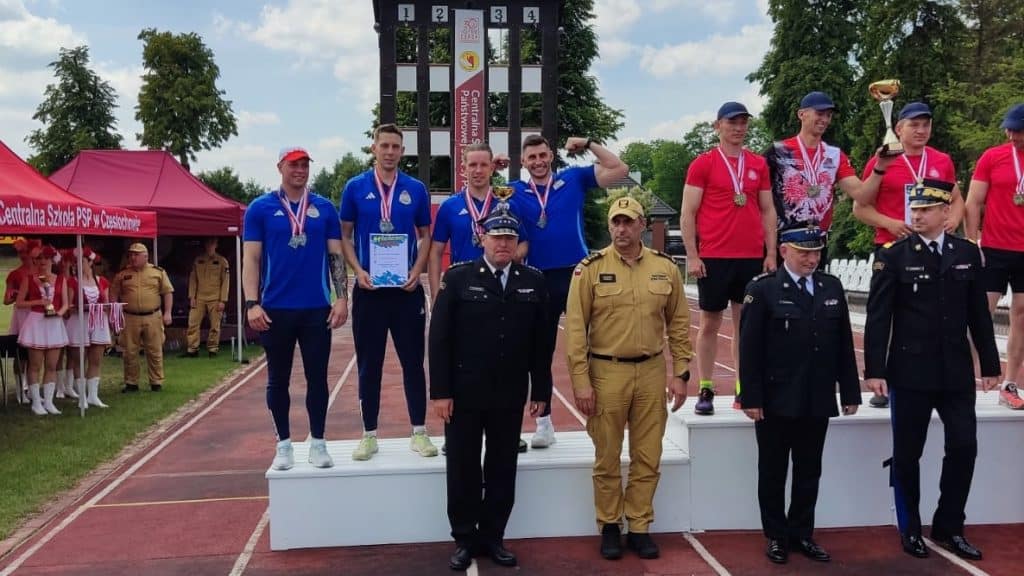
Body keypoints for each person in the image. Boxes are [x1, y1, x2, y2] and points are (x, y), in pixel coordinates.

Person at [864, 179, 1000, 561]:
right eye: (915, 209)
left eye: (926, 210)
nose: (918, 215)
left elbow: (979, 315)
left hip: (956, 371)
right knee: (908, 454)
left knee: (964, 447)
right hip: (909, 372)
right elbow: (878, 318)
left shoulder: (966, 254)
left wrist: (989, 363)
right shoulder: (893, 255)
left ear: (945, 213)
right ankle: (910, 529)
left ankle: (949, 526)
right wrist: (875, 370)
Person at [565, 196, 692, 561]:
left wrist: (681, 372)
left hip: (652, 371)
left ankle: (639, 525)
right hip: (606, 373)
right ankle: (609, 524)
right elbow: (575, 330)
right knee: (606, 456)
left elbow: (679, 324)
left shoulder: (665, 269)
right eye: (615, 222)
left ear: (641, 225)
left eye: (628, 222)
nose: (621, 229)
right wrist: (581, 381)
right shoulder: (589, 269)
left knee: (648, 454)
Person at [429, 207, 551, 571]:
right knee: (463, 466)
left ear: (517, 244)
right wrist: (440, 392)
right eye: (497, 237)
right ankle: (464, 539)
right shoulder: (458, 278)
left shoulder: (534, 280)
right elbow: (439, 339)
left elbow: (542, 343)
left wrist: (540, 391)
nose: (503, 244)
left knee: (501, 467)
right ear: (482, 238)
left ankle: (493, 536)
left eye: (509, 238)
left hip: (509, 392)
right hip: (464, 392)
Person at [738, 225, 861, 565]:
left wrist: (850, 391)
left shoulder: (831, 287)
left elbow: (844, 347)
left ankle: (802, 534)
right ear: (784, 251)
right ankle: (777, 536)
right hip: (777, 398)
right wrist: (751, 397)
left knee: (809, 470)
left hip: (817, 396)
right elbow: (749, 350)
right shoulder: (763, 290)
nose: (812, 258)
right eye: (804, 252)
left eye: (816, 252)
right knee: (773, 471)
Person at [509, 134, 629, 449]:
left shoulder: (573, 179)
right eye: (531, 157)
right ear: (523, 162)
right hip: (537, 280)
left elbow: (618, 168)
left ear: (552, 156)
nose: (537, 161)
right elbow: (482, 206)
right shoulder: (514, 191)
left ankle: (607, 417)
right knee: (539, 353)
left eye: (542, 155)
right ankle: (544, 424)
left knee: (597, 346)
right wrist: (493, 169)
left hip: (578, 276)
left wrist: (589, 143)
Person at [243, 146, 349, 471]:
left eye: (304, 164)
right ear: (280, 167)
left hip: (316, 308)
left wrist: (342, 297)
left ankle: (318, 441)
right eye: (294, 164)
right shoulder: (260, 208)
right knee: (278, 380)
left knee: (318, 378)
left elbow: (335, 255)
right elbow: (251, 258)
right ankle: (284, 444)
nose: (300, 170)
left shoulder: (324, 208)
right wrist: (251, 303)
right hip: (275, 309)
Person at [852, 101, 964, 409]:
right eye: (914, 124)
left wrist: (953, 220)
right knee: (886, 315)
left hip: (934, 250)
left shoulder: (941, 160)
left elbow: (956, 199)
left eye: (925, 124)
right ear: (898, 128)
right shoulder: (885, 160)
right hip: (893, 249)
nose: (921, 130)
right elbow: (860, 207)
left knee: (930, 316)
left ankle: (931, 379)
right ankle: (881, 382)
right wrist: (889, 223)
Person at [340, 124, 436, 460]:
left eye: (396, 146)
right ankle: (369, 434)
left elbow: (425, 235)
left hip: (405, 290)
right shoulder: (354, 188)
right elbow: (344, 235)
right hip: (369, 290)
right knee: (370, 364)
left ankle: (420, 432)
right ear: (374, 148)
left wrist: (417, 270)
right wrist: (358, 270)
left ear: (402, 150)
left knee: (413, 363)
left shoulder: (416, 189)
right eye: (385, 145)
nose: (390, 151)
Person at [681, 101, 777, 415]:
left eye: (742, 122)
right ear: (717, 126)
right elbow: (688, 213)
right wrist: (692, 255)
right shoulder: (703, 164)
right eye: (731, 122)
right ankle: (705, 386)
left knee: (745, 325)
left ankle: (743, 385)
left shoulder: (758, 164)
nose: (738, 128)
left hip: (751, 255)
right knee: (709, 322)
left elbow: (767, 210)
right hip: (714, 256)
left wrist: (771, 253)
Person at [965, 102, 1024, 410]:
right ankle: (961, 379)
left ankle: (1011, 382)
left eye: (1017, 130)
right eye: (1009, 128)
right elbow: (973, 201)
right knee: (979, 313)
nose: (1010, 134)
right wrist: (972, 241)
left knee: (1022, 315)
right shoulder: (993, 156)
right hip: (994, 248)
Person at [110, 242, 173, 393]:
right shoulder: (123, 274)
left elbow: (167, 292)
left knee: (155, 350)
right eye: (131, 254)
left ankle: (156, 381)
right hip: (130, 317)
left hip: (153, 316)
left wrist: (168, 312)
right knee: (130, 351)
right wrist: (115, 313)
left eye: (136, 255)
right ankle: (131, 382)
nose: (133, 257)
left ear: (146, 256)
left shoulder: (157, 272)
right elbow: (113, 293)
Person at [16, 244, 70, 416]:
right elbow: (19, 303)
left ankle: (49, 402)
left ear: (51, 260)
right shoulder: (30, 279)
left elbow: (66, 303)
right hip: (36, 323)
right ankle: (36, 402)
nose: (43, 262)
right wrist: (38, 303)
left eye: (46, 258)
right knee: (34, 365)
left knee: (52, 365)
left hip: (54, 323)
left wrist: (59, 314)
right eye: (39, 259)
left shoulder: (61, 279)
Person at [64, 247, 112, 408]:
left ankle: (93, 395)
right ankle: (82, 397)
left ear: (90, 262)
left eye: (82, 262)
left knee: (96, 360)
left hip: (98, 321)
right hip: (79, 322)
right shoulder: (72, 281)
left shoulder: (102, 281)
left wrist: (108, 307)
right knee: (79, 360)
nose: (78, 265)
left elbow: (106, 302)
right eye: (76, 262)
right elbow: (69, 304)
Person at [183, 237, 230, 358]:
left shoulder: (222, 261)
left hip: (215, 298)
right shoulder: (198, 260)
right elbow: (193, 280)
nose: (210, 246)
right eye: (208, 244)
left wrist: (222, 300)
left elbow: (225, 281)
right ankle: (192, 349)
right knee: (193, 323)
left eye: (212, 244)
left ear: (216, 245)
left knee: (215, 325)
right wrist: (192, 296)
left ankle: (213, 349)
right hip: (199, 297)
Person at [6, 238, 36, 402]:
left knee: (34, 355)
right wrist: (16, 295)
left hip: (36, 313)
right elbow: (6, 299)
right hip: (21, 315)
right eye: (20, 253)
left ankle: (31, 389)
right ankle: (19, 390)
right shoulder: (15, 274)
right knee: (20, 354)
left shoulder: (40, 272)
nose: (23, 255)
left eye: (25, 252)